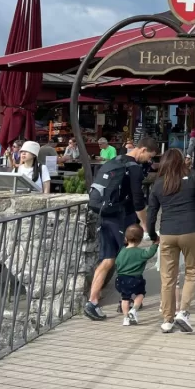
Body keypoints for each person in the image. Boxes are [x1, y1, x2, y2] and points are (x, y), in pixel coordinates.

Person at [84, 136, 158, 321]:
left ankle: (92, 302)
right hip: (120, 218)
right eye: (149, 156)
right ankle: (125, 299)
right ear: (142, 150)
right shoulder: (132, 168)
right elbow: (137, 200)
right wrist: (145, 224)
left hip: (103, 215)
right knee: (128, 259)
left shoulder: (114, 161)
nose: (149, 160)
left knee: (107, 259)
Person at [147, 148, 195, 334]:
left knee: (168, 279)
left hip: (167, 233)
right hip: (191, 230)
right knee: (193, 271)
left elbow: (151, 214)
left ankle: (167, 320)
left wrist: (153, 235)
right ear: (181, 161)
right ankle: (183, 312)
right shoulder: (192, 177)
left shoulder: (158, 184)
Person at [114, 224, 158, 327]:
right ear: (141, 239)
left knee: (125, 298)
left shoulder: (122, 251)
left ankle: (126, 318)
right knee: (140, 293)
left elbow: (116, 262)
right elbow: (149, 254)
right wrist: (155, 244)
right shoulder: (140, 252)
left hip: (121, 279)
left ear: (125, 238)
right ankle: (133, 310)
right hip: (135, 279)